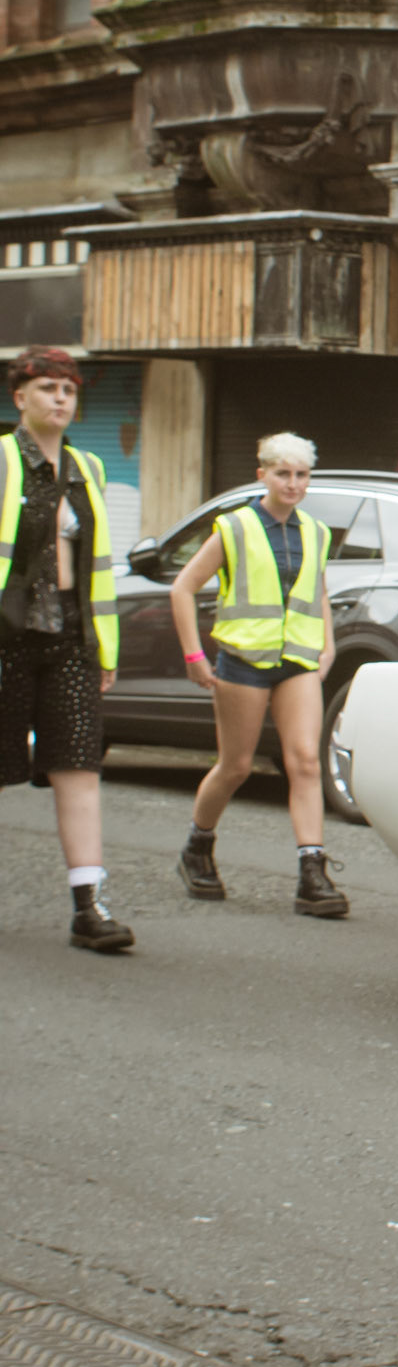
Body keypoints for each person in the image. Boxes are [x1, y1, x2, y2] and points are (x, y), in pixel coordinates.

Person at [169, 432, 348, 919]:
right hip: (243, 660)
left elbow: (317, 590)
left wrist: (328, 643)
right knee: (236, 766)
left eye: (301, 475)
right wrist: (194, 656)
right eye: (283, 473)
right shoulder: (235, 527)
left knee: (305, 762)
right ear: (262, 475)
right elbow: (182, 588)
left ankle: (312, 872)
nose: (293, 483)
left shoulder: (317, 532)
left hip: (297, 661)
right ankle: (197, 847)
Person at [0, 346, 132, 952]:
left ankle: (89, 906)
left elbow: (97, 567)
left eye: (69, 389)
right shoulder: (3, 461)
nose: (60, 398)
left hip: (71, 640)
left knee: (78, 765)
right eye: (48, 388)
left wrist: (104, 649)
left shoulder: (89, 468)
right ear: (20, 397)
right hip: (6, 637)